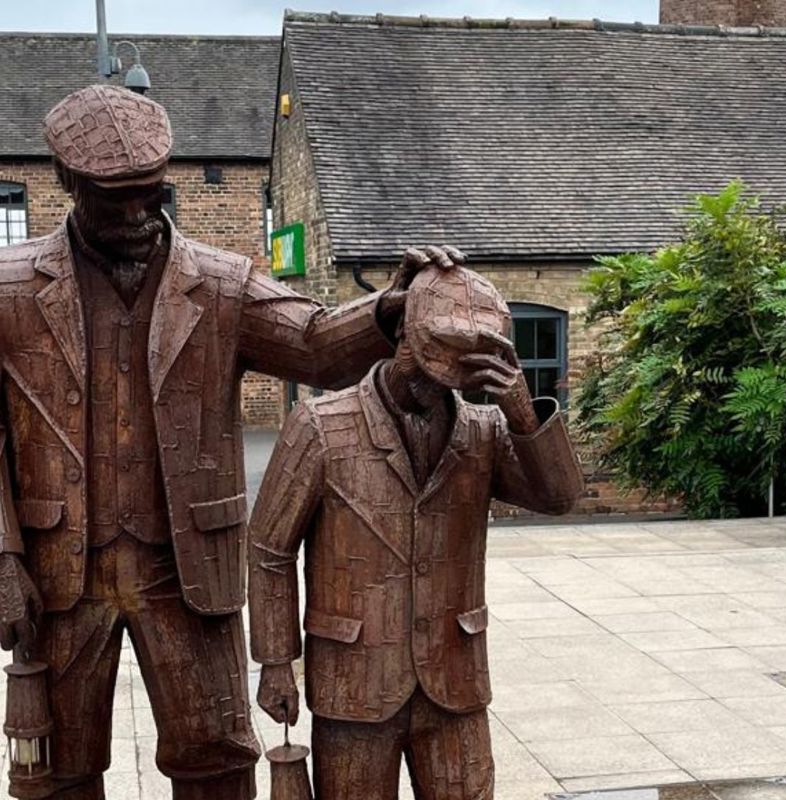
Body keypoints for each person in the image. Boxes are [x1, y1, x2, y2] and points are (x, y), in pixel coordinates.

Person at [0, 84, 456, 800]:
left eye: (151, 192)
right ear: (68, 184)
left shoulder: (219, 284)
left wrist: (386, 309)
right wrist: (2, 559)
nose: (139, 211)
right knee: (56, 768)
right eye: (116, 195)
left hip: (188, 570)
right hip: (59, 571)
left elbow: (315, 343)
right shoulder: (11, 288)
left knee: (216, 759)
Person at [249, 263, 585, 799]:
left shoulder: (485, 430)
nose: (439, 384)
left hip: (455, 679)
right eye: (434, 363)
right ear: (401, 332)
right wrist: (274, 663)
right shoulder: (319, 424)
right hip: (353, 683)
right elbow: (269, 551)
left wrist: (522, 412)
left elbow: (560, 498)